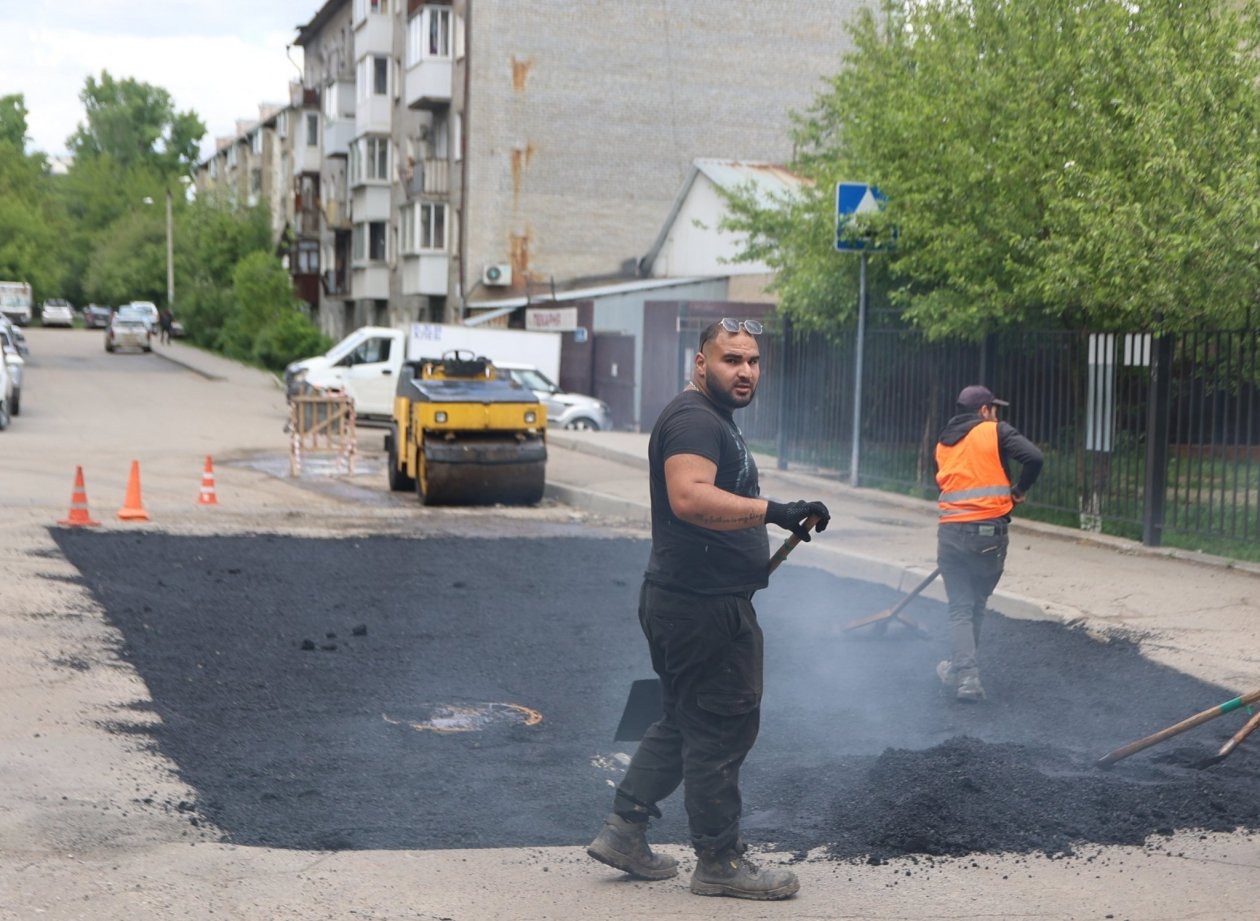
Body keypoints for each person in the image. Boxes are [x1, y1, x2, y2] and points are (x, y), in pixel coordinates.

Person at [586, 317, 830, 901]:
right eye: (730, 360)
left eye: (752, 361)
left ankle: (624, 830)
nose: (744, 371)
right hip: (701, 609)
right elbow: (689, 496)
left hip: (689, 601)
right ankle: (719, 861)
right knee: (722, 724)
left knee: (683, 716)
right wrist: (773, 510)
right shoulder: (696, 419)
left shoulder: (711, 418)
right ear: (701, 363)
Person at [934, 384, 1043, 702]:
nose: (996, 414)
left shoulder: (943, 442)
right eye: (993, 409)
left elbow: (946, 482)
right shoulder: (994, 431)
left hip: (951, 534)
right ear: (984, 410)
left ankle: (961, 672)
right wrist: (1020, 490)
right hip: (988, 536)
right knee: (975, 604)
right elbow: (1034, 458)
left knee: (960, 608)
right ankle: (966, 676)